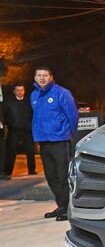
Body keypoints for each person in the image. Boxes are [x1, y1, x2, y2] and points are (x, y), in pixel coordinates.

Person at [30, 66, 78, 221]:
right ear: (35, 78)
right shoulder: (34, 95)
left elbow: (72, 115)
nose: (42, 78)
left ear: (50, 77)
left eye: (45, 75)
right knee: (51, 177)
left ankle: (69, 209)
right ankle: (62, 206)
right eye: (39, 75)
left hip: (60, 140)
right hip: (44, 141)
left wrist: (70, 134)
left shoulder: (62, 93)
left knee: (63, 176)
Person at [3, 84, 37, 177]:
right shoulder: (8, 102)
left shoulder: (29, 101)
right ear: (14, 91)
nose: (20, 92)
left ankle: (32, 170)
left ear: (24, 91)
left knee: (30, 151)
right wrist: (10, 123)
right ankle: (7, 172)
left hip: (27, 131)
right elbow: (4, 115)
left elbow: (34, 114)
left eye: (21, 90)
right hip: (14, 131)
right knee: (11, 152)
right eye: (17, 90)